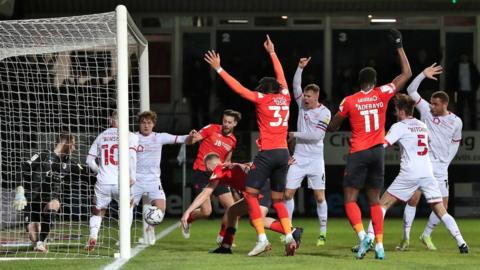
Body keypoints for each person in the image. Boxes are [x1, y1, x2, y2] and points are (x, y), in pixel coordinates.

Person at [204, 35, 295, 256]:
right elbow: (282, 76)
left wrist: (219, 69)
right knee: (277, 199)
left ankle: (262, 239)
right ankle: (290, 236)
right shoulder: (286, 96)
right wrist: (272, 52)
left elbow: (239, 89)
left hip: (268, 154)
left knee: (251, 195)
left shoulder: (262, 99)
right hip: (284, 153)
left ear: (264, 89)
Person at [327, 29, 412, 260]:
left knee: (350, 199)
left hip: (358, 152)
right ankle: (380, 245)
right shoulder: (382, 93)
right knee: (375, 200)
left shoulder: (350, 100)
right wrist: (398, 45)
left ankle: (364, 235)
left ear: (359, 82)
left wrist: (333, 118)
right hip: (378, 152)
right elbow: (406, 73)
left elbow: (332, 127)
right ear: (374, 82)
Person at [364, 94, 469, 256]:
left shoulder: (399, 126)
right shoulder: (422, 125)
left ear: (400, 111)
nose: (395, 113)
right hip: (428, 172)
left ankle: (369, 239)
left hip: (410, 173)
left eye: (395, 110)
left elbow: (382, 146)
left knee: (382, 205)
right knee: (441, 210)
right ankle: (461, 242)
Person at [396, 63, 463, 251]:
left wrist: (447, 161)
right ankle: (406, 237)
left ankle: (425, 235)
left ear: (444, 104)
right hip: (423, 163)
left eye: (435, 104)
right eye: (431, 103)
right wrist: (423, 74)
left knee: (443, 206)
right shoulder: (425, 110)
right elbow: (411, 90)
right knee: (413, 199)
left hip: (441, 167)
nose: (431, 106)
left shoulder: (456, 121)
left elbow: (455, 142)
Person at [180, 153, 303, 254]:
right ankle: (226, 246)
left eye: (205, 167)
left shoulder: (218, 169)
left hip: (259, 190)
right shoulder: (224, 168)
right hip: (257, 189)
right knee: (232, 211)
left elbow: (205, 193)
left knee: (256, 220)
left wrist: (187, 212)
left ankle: (292, 231)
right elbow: (247, 166)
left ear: (208, 166)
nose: (206, 170)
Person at [284, 57, 331, 246]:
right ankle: (288, 229)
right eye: (304, 95)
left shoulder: (325, 113)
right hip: (298, 158)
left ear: (316, 96)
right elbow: (295, 85)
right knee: (288, 194)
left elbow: (316, 136)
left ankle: (323, 232)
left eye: (308, 96)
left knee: (320, 197)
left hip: (315, 160)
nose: (304, 98)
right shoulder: (301, 105)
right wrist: (299, 68)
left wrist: (293, 134)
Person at [132, 110, 194, 245]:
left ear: (153, 124)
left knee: (161, 209)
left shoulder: (159, 137)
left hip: (153, 181)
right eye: (143, 123)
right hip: (135, 180)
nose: (146, 126)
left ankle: (150, 227)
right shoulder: (132, 137)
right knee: (127, 209)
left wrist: (190, 136)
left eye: (149, 123)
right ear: (139, 124)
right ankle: (123, 238)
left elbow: (182, 139)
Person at [181, 109, 241, 244]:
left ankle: (222, 236)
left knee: (233, 209)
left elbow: (228, 160)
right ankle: (189, 219)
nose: (226, 124)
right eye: (224, 121)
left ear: (235, 124)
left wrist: (230, 178)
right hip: (201, 172)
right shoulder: (211, 128)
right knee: (206, 211)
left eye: (229, 122)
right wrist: (191, 137)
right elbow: (193, 140)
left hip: (218, 174)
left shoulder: (233, 140)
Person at [13, 133, 77, 253]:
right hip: (32, 199)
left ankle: (40, 243)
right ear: (66, 143)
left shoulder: (68, 164)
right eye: (73, 145)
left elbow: (85, 173)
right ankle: (38, 239)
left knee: (55, 204)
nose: (74, 148)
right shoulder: (43, 155)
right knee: (33, 235)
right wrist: (20, 190)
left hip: (49, 199)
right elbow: (23, 168)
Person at [85, 111, 139, 252]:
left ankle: (93, 235)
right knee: (127, 207)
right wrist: (132, 176)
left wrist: (100, 171)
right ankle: (123, 241)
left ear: (111, 121)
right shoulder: (131, 136)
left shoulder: (101, 136)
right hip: (122, 182)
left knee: (98, 211)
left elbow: (89, 161)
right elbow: (132, 158)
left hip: (103, 181)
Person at [448, 52, 479, 129]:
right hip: (459, 91)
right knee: (459, 109)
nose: (464, 58)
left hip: (470, 91)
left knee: (472, 109)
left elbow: (477, 77)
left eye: (465, 57)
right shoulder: (456, 66)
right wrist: (454, 88)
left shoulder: (472, 66)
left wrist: (475, 88)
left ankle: (473, 126)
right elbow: (452, 78)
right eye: (462, 57)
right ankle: (460, 126)